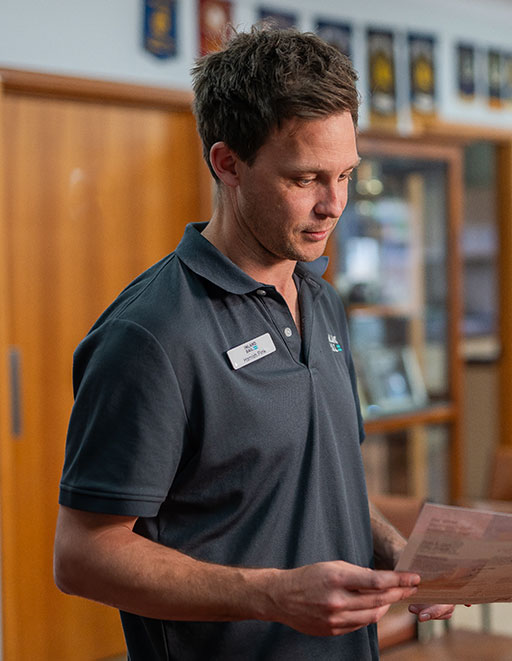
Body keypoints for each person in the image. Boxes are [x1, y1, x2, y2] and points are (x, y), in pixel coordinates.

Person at [53, 27, 453, 660]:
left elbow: (316, 480)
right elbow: (81, 555)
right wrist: (270, 593)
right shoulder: (153, 335)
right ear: (227, 163)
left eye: (346, 174)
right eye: (306, 179)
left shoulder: (321, 302)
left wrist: (393, 549)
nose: (334, 205)